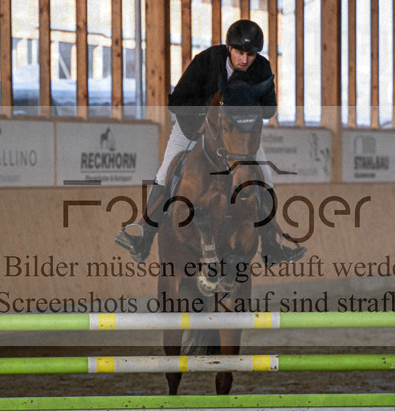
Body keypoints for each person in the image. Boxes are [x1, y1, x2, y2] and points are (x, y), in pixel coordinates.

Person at [115, 19, 306, 265]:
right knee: (165, 173)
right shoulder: (207, 61)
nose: (245, 60)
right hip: (192, 130)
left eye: (250, 54)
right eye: (239, 53)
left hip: (239, 137)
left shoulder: (262, 68)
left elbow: (269, 109)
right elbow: (177, 102)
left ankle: (271, 244)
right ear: (228, 48)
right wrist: (209, 110)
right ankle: (143, 236)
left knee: (265, 179)